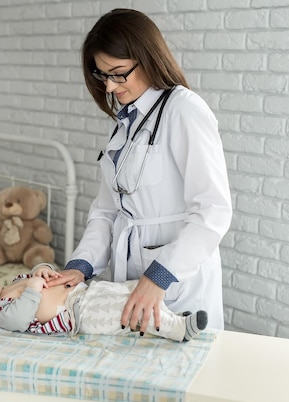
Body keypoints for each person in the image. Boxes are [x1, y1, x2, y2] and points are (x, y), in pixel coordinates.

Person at [46, 9, 232, 332]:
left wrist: (159, 276)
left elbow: (213, 211)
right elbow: (106, 211)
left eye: (118, 74)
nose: (109, 87)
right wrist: (80, 266)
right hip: (130, 284)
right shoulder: (123, 127)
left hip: (177, 285)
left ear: (146, 58)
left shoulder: (184, 111)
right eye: (102, 76)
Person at [0, 264, 208, 343]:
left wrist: (41, 270)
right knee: (126, 312)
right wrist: (31, 290)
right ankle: (177, 328)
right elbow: (18, 320)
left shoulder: (14, 280)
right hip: (79, 314)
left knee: (135, 290)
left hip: (85, 292)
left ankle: (171, 314)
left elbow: (41, 272)